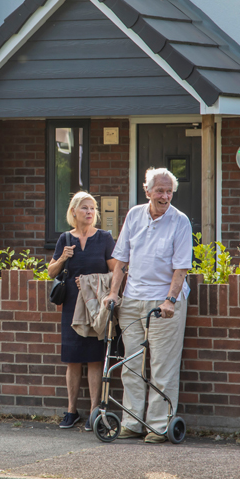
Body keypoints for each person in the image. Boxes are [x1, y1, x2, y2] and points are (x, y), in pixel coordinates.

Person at [103, 168, 193, 444]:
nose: (165, 196)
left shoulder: (180, 221)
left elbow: (181, 269)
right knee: (131, 364)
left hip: (162, 302)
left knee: (162, 365)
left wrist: (170, 300)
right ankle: (132, 421)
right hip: (132, 300)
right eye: (160, 191)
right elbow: (120, 261)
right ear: (148, 191)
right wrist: (113, 294)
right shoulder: (134, 214)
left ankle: (157, 426)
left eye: (169, 191)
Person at [47, 192, 119, 431]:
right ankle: (71, 411)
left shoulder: (105, 238)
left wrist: (92, 282)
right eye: (85, 208)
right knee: (73, 360)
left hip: (96, 307)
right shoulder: (65, 238)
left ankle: (93, 412)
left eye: (92, 208)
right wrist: (63, 258)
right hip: (71, 306)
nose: (89, 212)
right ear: (74, 212)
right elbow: (51, 272)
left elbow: (115, 272)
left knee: (95, 359)